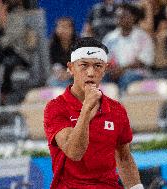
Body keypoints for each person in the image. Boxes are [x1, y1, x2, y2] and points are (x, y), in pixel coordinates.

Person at [44, 37, 143, 189]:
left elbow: (124, 158)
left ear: (105, 68)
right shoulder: (56, 107)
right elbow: (74, 152)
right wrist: (86, 110)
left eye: (97, 66)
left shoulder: (117, 110)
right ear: (70, 68)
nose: (91, 73)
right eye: (83, 65)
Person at [102, 3, 154, 93]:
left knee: (126, 78)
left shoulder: (143, 37)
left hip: (137, 73)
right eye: (118, 16)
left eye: (124, 16)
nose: (120, 19)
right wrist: (112, 70)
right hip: (113, 72)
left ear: (133, 18)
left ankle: (121, 105)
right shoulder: (109, 38)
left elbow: (143, 61)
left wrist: (122, 69)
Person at [47, 17, 77, 88]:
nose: (63, 30)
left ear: (72, 29)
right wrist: (58, 72)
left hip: (75, 75)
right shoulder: (51, 45)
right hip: (59, 76)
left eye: (66, 27)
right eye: (61, 27)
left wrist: (68, 73)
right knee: (53, 81)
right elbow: (50, 64)